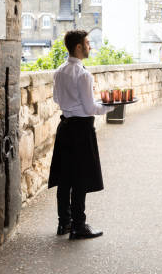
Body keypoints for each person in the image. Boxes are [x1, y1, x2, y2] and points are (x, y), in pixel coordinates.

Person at [48, 30, 115, 240]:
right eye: (87, 43)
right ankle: (79, 226)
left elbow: (57, 99)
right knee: (80, 179)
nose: (90, 46)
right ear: (78, 47)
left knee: (65, 177)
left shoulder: (59, 71)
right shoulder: (83, 74)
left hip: (65, 127)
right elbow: (89, 108)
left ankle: (64, 223)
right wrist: (110, 107)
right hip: (81, 130)